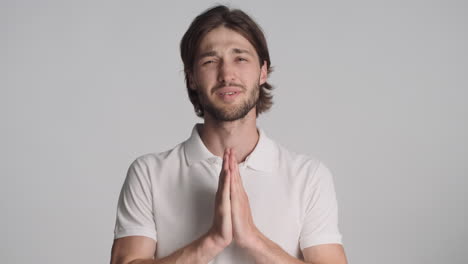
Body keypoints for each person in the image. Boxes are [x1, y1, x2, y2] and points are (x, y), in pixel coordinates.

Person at [110, 5, 348, 264]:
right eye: (210, 61)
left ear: (263, 71)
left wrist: (253, 240)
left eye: (241, 58)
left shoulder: (309, 176)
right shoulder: (148, 174)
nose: (226, 74)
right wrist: (211, 241)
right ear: (191, 77)